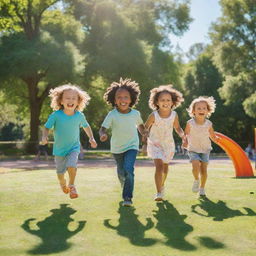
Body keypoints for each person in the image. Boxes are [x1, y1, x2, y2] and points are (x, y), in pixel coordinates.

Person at [41, 84, 97, 199]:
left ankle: (72, 185)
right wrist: (44, 137)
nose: (70, 100)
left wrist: (91, 138)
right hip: (59, 150)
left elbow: (86, 126)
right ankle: (63, 184)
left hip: (74, 147)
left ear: (78, 102)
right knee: (60, 174)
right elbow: (46, 127)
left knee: (72, 165)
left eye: (73, 98)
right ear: (61, 101)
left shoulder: (79, 115)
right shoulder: (56, 115)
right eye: (67, 98)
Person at [99, 78, 147, 207]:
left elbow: (142, 128)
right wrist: (103, 135)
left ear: (131, 99)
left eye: (126, 97)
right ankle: (124, 184)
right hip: (117, 148)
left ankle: (127, 197)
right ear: (114, 100)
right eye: (119, 97)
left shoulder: (135, 114)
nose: (123, 100)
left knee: (128, 169)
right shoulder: (112, 114)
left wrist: (145, 138)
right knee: (121, 173)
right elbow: (102, 129)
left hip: (132, 146)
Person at [143, 85, 186, 201]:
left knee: (165, 169)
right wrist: (144, 139)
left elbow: (177, 128)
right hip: (155, 144)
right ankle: (158, 193)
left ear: (172, 102)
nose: (165, 102)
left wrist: (183, 136)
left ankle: (161, 186)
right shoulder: (153, 115)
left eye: (168, 100)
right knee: (159, 167)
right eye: (162, 100)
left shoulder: (174, 115)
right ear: (157, 102)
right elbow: (145, 128)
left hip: (168, 145)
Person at [183, 96, 219, 197]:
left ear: (207, 111)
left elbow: (212, 136)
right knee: (195, 166)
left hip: (205, 149)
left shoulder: (209, 124)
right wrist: (185, 141)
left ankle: (202, 188)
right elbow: (185, 134)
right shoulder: (190, 123)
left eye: (204, 108)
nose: (201, 110)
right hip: (193, 149)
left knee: (204, 170)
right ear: (193, 111)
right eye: (198, 108)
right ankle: (196, 180)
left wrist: (216, 140)